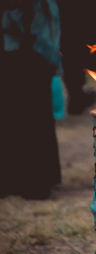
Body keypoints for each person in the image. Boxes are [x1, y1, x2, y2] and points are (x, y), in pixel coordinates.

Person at [0, 0, 62, 199]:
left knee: (34, 117)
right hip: (21, 48)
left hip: (32, 46)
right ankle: (28, 181)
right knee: (25, 117)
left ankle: (35, 180)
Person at [57, 0, 96, 115]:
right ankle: (76, 98)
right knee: (74, 59)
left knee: (72, 59)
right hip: (78, 23)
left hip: (69, 24)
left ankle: (76, 97)